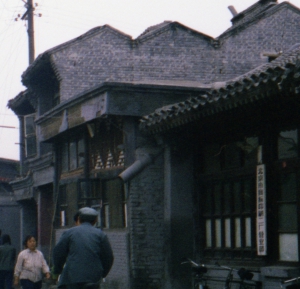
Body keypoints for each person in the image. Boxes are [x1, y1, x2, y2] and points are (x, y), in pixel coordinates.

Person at [53, 207, 114, 289]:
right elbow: (108, 258)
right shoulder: (100, 235)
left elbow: (58, 254)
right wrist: (102, 274)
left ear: (79, 219)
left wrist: (58, 270)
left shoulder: (69, 233)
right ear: (95, 220)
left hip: (72, 278)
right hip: (93, 279)